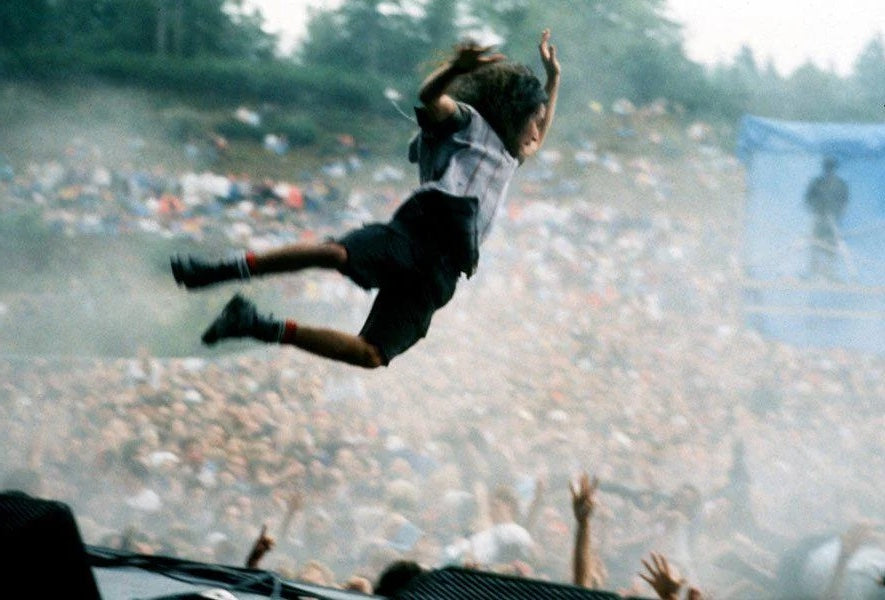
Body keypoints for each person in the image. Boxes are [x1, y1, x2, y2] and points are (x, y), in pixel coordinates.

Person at [170, 29, 561, 368]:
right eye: (535, 118)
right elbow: (429, 97)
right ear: (515, 114)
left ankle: (254, 324)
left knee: (371, 354)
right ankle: (218, 271)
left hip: (444, 271)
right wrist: (456, 70)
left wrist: (553, 79)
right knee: (334, 255)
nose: (538, 130)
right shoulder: (469, 125)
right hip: (422, 230)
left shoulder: (514, 156)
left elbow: (538, 134)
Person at [804, 155, 849, 280]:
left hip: (832, 220)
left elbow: (844, 201)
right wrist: (816, 208)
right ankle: (813, 272)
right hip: (819, 218)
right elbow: (808, 198)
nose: (829, 170)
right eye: (827, 167)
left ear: (835, 168)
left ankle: (830, 273)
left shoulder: (841, 184)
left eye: (831, 167)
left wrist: (837, 213)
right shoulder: (816, 182)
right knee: (815, 244)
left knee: (832, 246)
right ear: (824, 168)